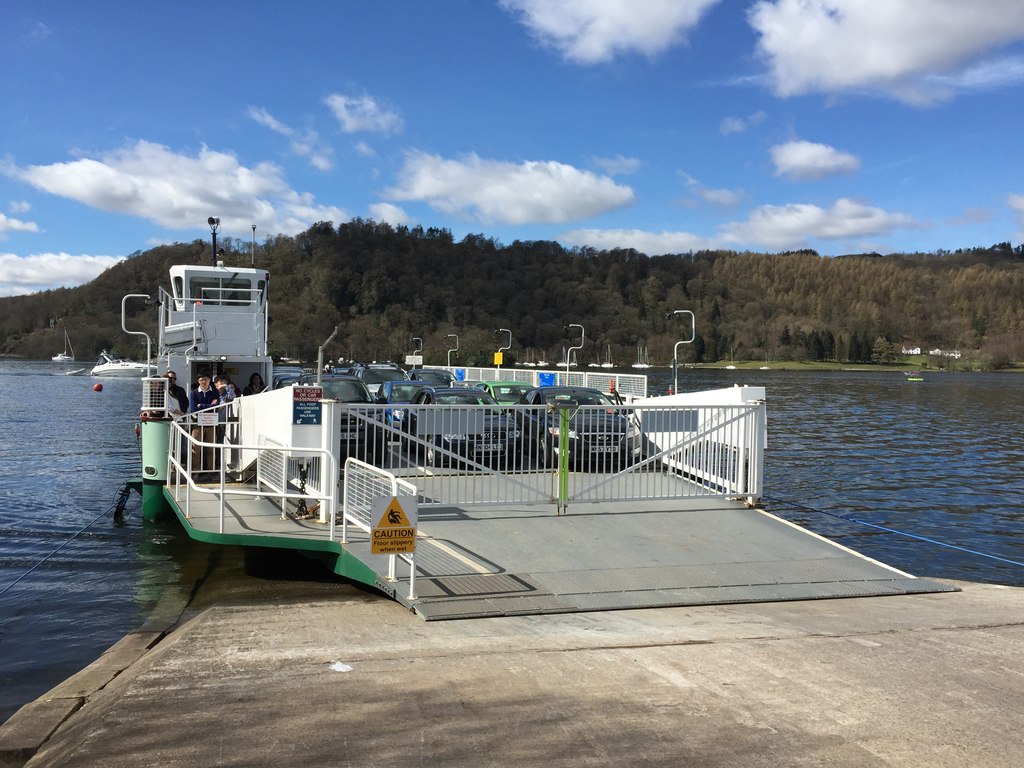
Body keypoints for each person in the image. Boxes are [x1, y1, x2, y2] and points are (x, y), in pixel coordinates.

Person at [188, 372, 220, 472]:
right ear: (198, 381)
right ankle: (196, 470)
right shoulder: (194, 393)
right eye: (201, 379)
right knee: (196, 449)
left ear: (209, 380)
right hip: (197, 424)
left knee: (211, 449)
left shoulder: (215, 391)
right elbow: (193, 409)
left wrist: (201, 405)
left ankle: (211, 470)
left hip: (211, 424)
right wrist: (209, 405)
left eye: (205, 379)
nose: (203, 381)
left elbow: (217, 406)